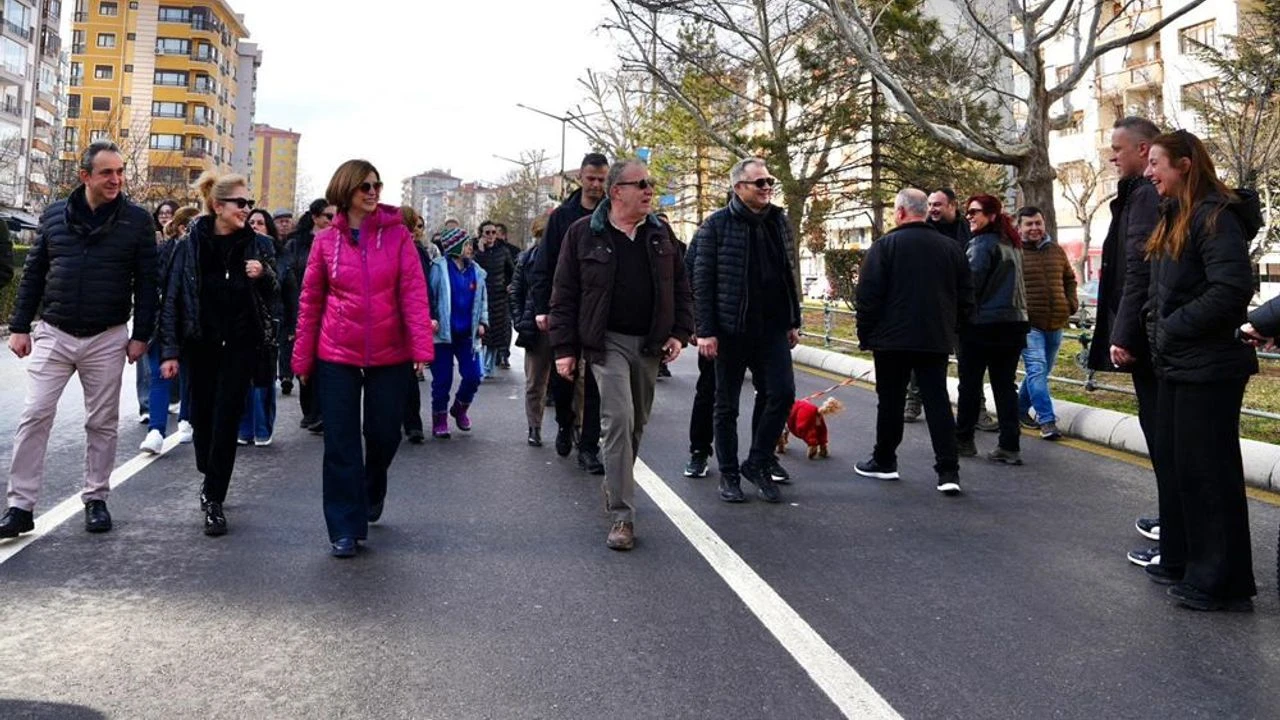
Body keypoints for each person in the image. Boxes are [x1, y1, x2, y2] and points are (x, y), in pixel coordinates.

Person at [0, 140, 157, 538]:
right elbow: (34, 274)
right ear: (85, 176)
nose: (116, 179)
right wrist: (20, 326)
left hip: (107, 335)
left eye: (120, 172)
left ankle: (96, 499)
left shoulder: (137, 221)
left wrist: (142, 336)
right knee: (34, 415)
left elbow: (149, 283)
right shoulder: (53, 216)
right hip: (54, 331)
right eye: (107, 172)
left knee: (102, 421)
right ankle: (19, 507)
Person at [1142, 130, 1260, 612]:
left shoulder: (1215, 217)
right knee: (1180, 468)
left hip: (1208, 366)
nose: (1150, 173)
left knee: (1209, 475)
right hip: (1178, 363)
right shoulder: (1177, 214)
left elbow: (1231, 291)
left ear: (1186, 164)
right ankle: (1185, 560)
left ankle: (1222, 583)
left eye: (1157, 163)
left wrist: (1173, 326)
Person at [291, 159, 433, 558]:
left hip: (390, 353)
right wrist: (302, 360)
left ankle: (372, 488)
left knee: (384, 434)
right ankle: (344, 527)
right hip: (337, 353)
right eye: (364, 186)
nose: (373, 192)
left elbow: (413, 293)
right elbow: (310, 302)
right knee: (340, 441)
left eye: (377, 185)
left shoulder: (398, 236)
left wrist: (421, 349)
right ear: (346, 190)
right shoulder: (325, 242)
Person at [550, 158, 693, 550]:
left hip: (649, 344)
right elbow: (564, 295)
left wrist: (680, 332)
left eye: (650, 183)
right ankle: (622, 517)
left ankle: (614, 484)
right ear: (617, 192)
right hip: (605, 342)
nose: (649, 190)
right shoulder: (583, 234)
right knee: (618, 420)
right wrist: (564, 349)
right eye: (640, 184)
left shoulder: (660, 233)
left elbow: (681, 286)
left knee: (636, 425)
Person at [157, 171, 279, 537]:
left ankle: (214, 498)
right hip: (201, 344)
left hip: (241, 345)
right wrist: (170, 351)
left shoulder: (258, 246)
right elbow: (173, 298)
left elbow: (275, 294)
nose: (246, 209)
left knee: (227, 419)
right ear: (218, 206)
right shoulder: (190, 244)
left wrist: (264, 274)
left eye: (249, 203)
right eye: (240, 203)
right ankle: (208, 469)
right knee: (204, 420)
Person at [693, 157, 801, 504]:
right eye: (760, 182)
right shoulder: (715, 226)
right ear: (739, 187)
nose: (768, 186)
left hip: (772, 328)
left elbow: (788, 272)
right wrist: (705, 330)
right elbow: (701, 279)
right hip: (730, 331)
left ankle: (757, 461)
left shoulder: (779, 222)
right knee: (726, 405)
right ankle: (728, 473)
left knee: (781, 394)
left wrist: (793, 319)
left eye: (770, 181)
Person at [854, 189, 974, 494]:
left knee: (890, 402)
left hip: (890, 340)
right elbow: (966, 297)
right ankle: (948, 471)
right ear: (924, 211)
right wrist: (952, 328)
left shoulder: (884, 247)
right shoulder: (951, 248)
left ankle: (885, 460)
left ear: (901, 212)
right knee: (937, 402)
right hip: (934, 337)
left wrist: (865, 335)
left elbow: (867, 296)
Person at [1085, 117, 1166, 569]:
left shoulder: (1146, 197)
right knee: (1159, 434)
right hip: (1146, 334)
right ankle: (1172, 519)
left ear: (1144, 149)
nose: (1113, 157)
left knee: (1164, 436)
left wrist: (1124, 333)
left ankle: (1176, 529)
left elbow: (1140, 271)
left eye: (1118, 149)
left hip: (1147, 338)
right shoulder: (1137, 196)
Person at [532, 153, 610, 472]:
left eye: (601, 179)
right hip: (566, 306)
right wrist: (542, 309)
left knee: (595, 379)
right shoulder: (563, 216)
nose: (596, 185)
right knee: (565, 377)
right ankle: (566, 423)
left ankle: (589, 446)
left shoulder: (612, 213)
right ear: (581, 177)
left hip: (601, 310)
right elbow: (544, 265)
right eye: (591, 178)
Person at [955, 194, 1028, 465]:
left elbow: (969, 286)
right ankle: (1010, 445)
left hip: (982, 325)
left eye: (975, 212)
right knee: (1005, 386)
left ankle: (963, 440)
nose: (970, 217)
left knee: (971, 385)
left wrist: (956, 318)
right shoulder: (1013, 244)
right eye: (968, 212)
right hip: (1014, 324)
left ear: (992, 215)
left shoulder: (981, 244)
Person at [139, 206, 199, 454]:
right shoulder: (162, 252)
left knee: (189, 374)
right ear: (184, 227)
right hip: (162, 323)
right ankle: (156, 429)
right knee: (160, 375)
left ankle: (186, 419)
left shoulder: (200, 254)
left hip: (189, 324)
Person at [1015, 206, 1078, 440]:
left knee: (1040, 373)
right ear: (1019, 227)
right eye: (1029, 224)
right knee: (1037, 369)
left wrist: (1071, 304)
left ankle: (1019, 410)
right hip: (1029, 325)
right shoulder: (1014, 252)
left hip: (1056, 322)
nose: (1034, 228)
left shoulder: (1056, 251)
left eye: (1038, 223)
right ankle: (1047, 421)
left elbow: (1070, 279)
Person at [427, 228, 488, 439]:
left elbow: (482, 300)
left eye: (471, 244)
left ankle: (460, 408)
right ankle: (440, 419)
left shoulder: (477, 271)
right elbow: (430, 296)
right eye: (467, 244)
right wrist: (430, 318)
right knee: (442, 380)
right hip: (442, 335)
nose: (471, 248)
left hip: (467, 335)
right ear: (455, 247)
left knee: (473, 376)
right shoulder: (438, 268)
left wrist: (482, 322)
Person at [280, 199, 334, 423]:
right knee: (305, 356)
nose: (331, 221)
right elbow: (289, 277)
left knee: (326, 360)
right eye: (327, 217)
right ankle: (310, 410)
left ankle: (321, 411)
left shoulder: (338, 241)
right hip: (303, 305)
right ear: (315, 217)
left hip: (330, 308)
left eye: (334, 217)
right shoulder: (296, 244)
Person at [236, 208, 283, 447]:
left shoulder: (267, 246)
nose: (254, 225)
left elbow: (277, 286)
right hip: (236, 320)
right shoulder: (233, 242)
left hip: (263, 322)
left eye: (260, 222)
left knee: (262, 379)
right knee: (240, 379)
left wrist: (262, 272)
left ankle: (262, 428)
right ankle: (243, 429)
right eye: (250, 221)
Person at [511, 213, 553, 446]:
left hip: (563, 326)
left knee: (576, 381)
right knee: (535, 382)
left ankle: (574, 428)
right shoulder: (526, 259)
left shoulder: (566, 257)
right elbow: (515, 292)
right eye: (542, 235)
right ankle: (534, 427)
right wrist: (520, 320)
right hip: (535, 330)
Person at [402, 205, 433, 443]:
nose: (413, 230)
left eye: (416, 226)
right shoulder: (383, 250)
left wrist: (429, 318)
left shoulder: (421, 252)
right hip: (389, 320)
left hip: (413, 319)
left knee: (411, 374)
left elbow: (425, 290)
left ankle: (413, 423)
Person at [474, 220, 514, 379]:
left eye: (493, 232)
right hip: (481, 297)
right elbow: (475, 270)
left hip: (499, 297)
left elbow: (512, 271)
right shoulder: (476, 251)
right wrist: (481, 252)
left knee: (496, 333)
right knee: (482, 333)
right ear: (481, 234)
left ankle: (489, 366)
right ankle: (480, 365)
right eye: (487, 232)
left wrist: (510, 285)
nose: (491, 235)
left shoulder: (503, 251)